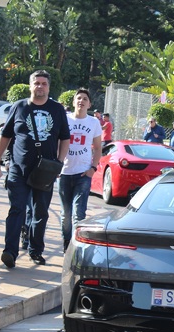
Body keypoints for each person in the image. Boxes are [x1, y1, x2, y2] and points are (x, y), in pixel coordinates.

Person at [0, 70, 70, 268]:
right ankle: (10, 251)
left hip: (45, 170)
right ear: (30, 85)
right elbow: (6, 136)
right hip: (19, 168)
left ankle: (35, 250)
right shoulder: (19, 107)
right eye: (37, 83)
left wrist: (59, 162)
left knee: (40, 212)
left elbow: (65, 138)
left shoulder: (57, 109)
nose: (40, 87)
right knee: (16, 209)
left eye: (44, 83)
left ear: (48, 87)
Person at [59, 89, 102, 252]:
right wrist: (57, 164)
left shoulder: (94, 123)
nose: (81, 101)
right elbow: (57, 142)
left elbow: (98, 148)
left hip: (83, 174)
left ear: (89, 104)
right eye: (78, 98)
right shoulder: (65, 119)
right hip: (64, 172)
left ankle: (75, 249)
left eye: (85, 99)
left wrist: (93, 168)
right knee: (65, 216)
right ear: (73, 102)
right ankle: (66, 245)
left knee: (79, 214)